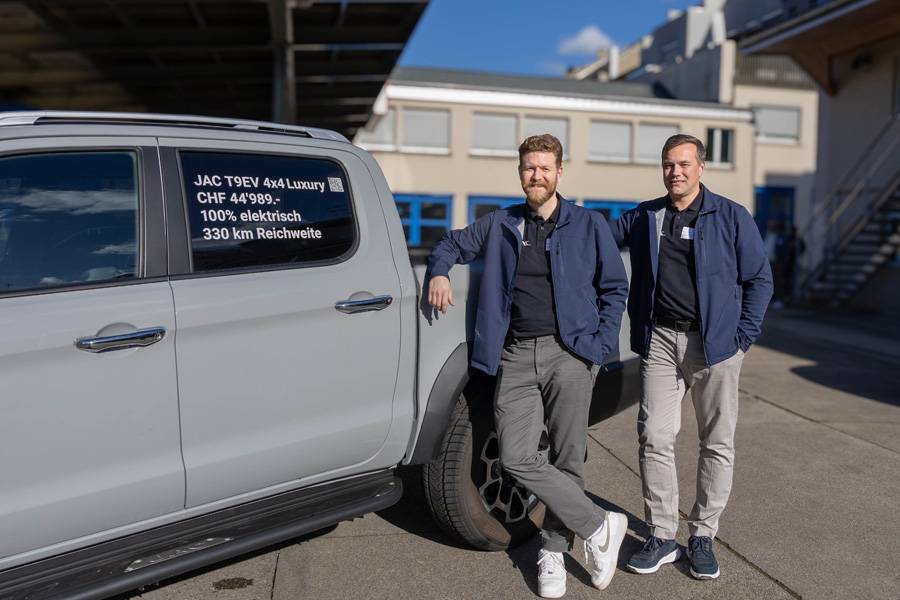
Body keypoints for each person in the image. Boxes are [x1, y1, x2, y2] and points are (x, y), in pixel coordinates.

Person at [427, 134, 629, 598]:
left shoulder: (588, 224)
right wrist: (439, 270)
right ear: (520, 173)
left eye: (544, 168)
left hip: (570, 354)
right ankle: (600, 526)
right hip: (515, 355)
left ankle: (554, 551)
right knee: (517, 456)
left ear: (560, 172)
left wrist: (595, 347)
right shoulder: (499, 224)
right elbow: (450, 244)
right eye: (528, 168)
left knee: (567, 456)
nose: (535, 176)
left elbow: (614, 287)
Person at [610, 134, 772, 580]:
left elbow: (760, 280)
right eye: (667, 164)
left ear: (700, 167)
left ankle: (702, 535)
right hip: (660, 340)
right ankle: (662, 534)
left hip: (715, 345)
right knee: (654, 436)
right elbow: (598, 238)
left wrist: (742, 338)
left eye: (683, 164)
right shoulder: (647, 215)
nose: (675, 172)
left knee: (716, 442)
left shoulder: (732, 216)